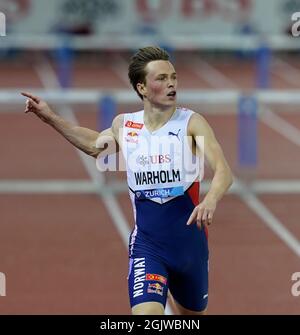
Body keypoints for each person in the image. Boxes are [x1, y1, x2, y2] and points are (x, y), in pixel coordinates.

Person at [22, 46, 233, 315]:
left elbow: (224, 170)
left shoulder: (191, 123)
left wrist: (211, 199)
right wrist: (50, 117)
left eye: (174, 77)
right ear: (142, 88)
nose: (171, 84)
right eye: (161, 78)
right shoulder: (126, 125)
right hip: (148, 247)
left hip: (190, 249)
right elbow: (94, 145)